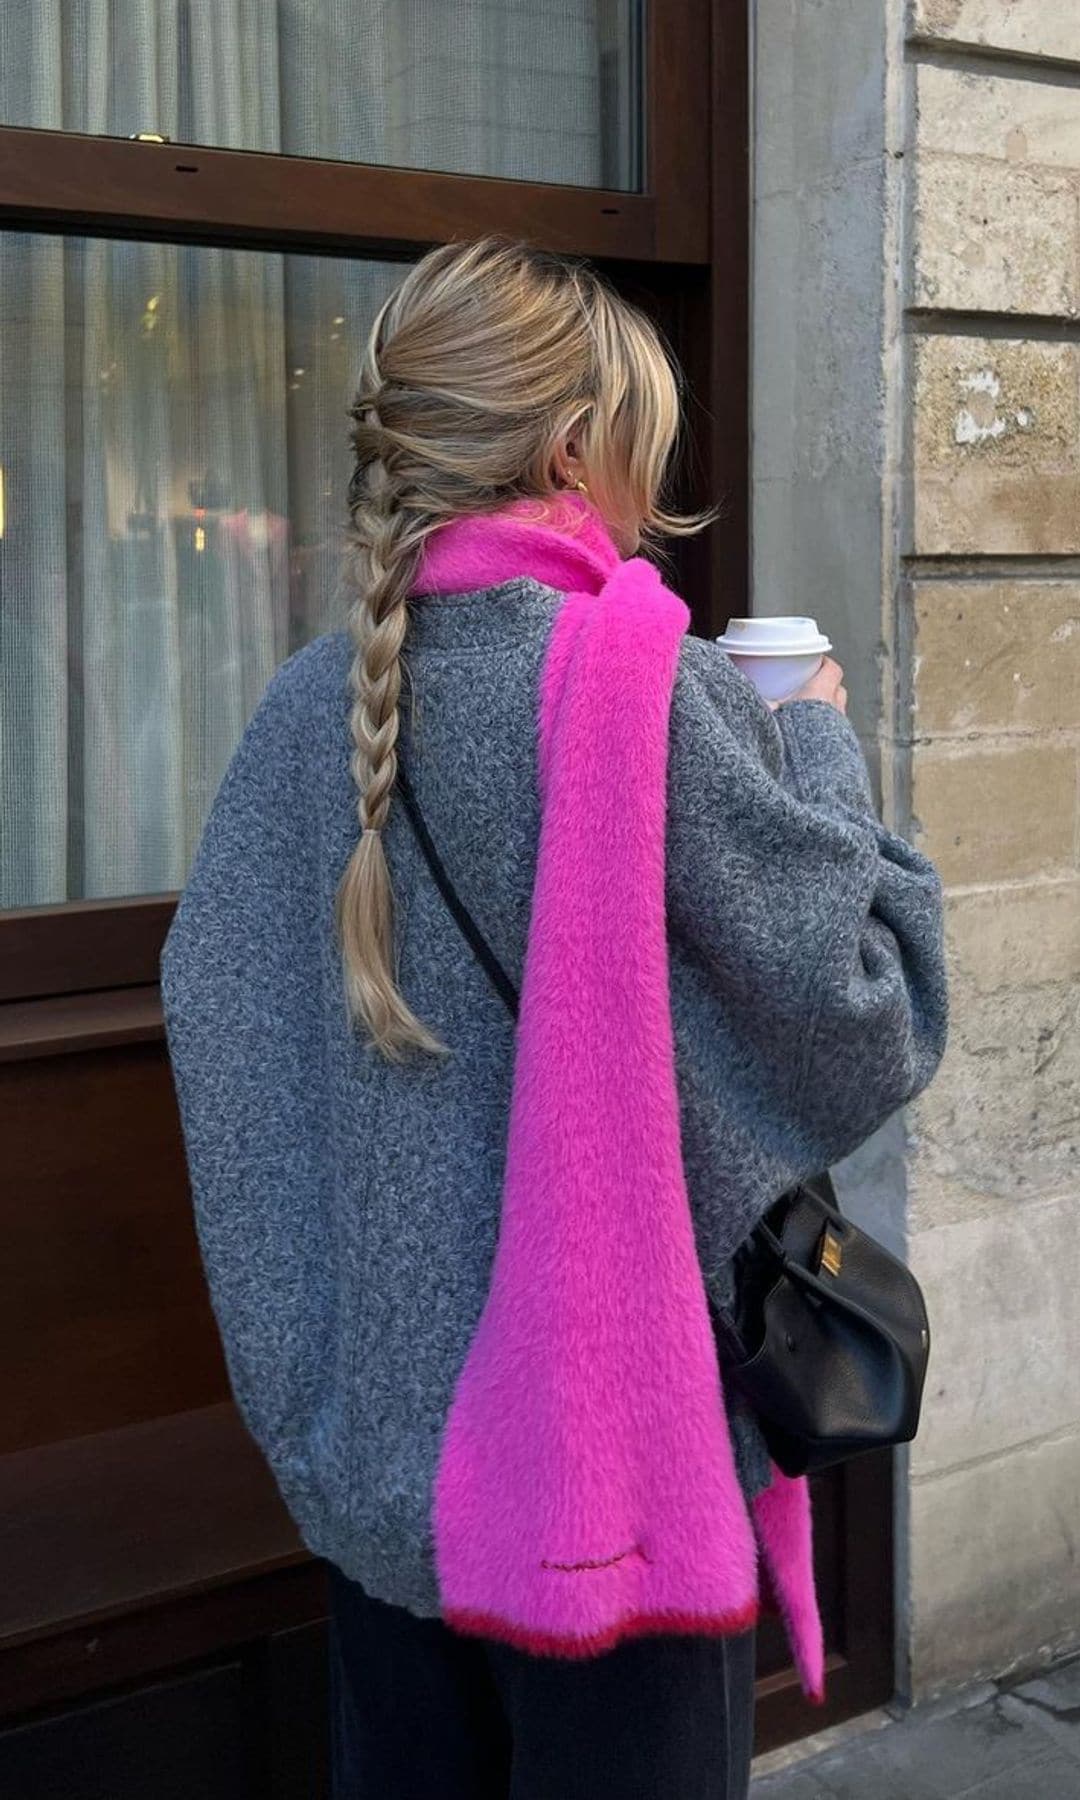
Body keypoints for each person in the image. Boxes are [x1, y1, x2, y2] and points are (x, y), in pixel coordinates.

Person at [160, 237, 949, 1799]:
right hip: (615, 1507)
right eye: (634, 438)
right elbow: (868, 1007)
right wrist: (816, 748)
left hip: (382, 1493)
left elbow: (228, 1052)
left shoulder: (301, 713)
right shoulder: (655, 693)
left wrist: (320, 1397)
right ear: (574, 444)